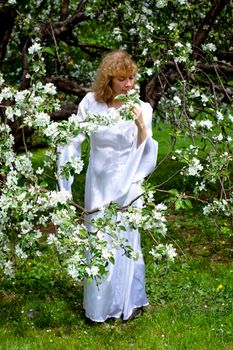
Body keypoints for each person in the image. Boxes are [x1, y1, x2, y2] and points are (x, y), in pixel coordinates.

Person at [58, 50, 158, 322]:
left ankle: (129, 303)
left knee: (126, 243)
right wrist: (64, 184)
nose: (129, 85)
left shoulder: (142, 108)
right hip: (99, 186)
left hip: (128, 184)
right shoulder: (91, 104)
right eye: (122, 79)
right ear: (108, 80)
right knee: (99, 242)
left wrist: (140, 126)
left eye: (132, 78)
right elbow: (72, 139)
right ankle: (99, 308)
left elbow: (144, 151)